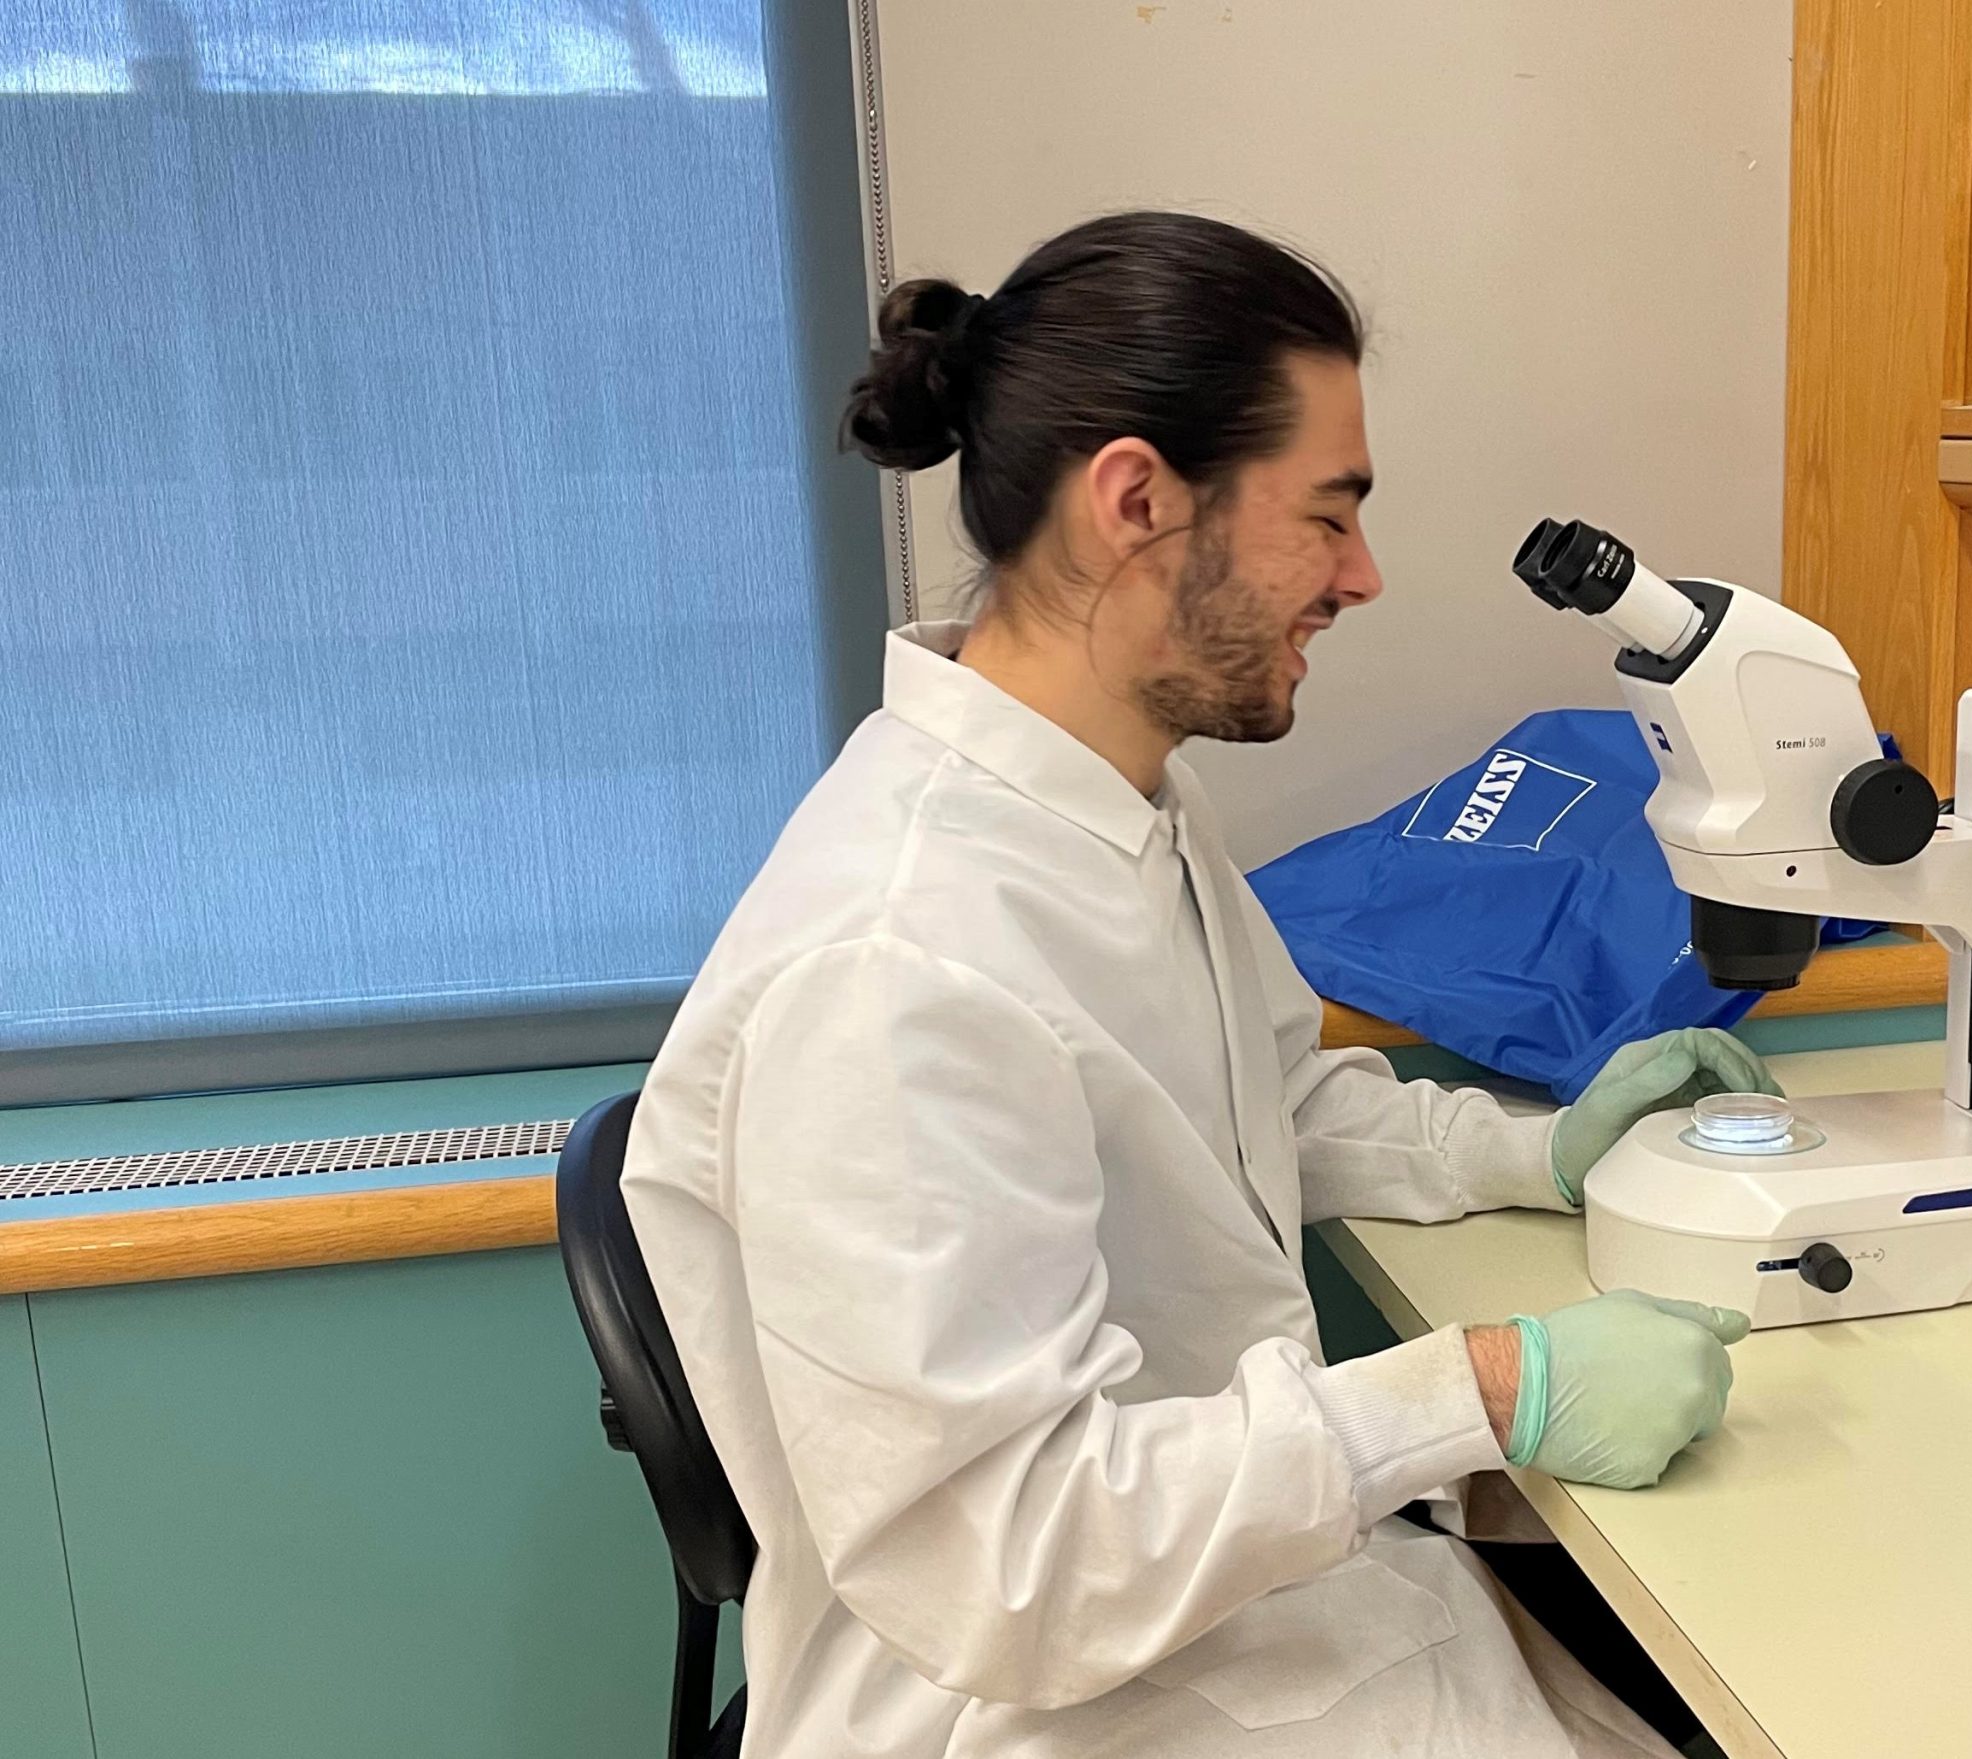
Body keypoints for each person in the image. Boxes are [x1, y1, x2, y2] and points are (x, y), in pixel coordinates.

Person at [623, 210, 1781, 1759]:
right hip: (1037, 1699)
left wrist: (1543, 1149)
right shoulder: (899, 965)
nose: (1363, 578)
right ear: (1136, 502)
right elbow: (1008, 1567)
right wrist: (1480, 1389)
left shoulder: (1116, 807)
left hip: (1229, 1611)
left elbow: (1256, 1108)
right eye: (1328, 515)